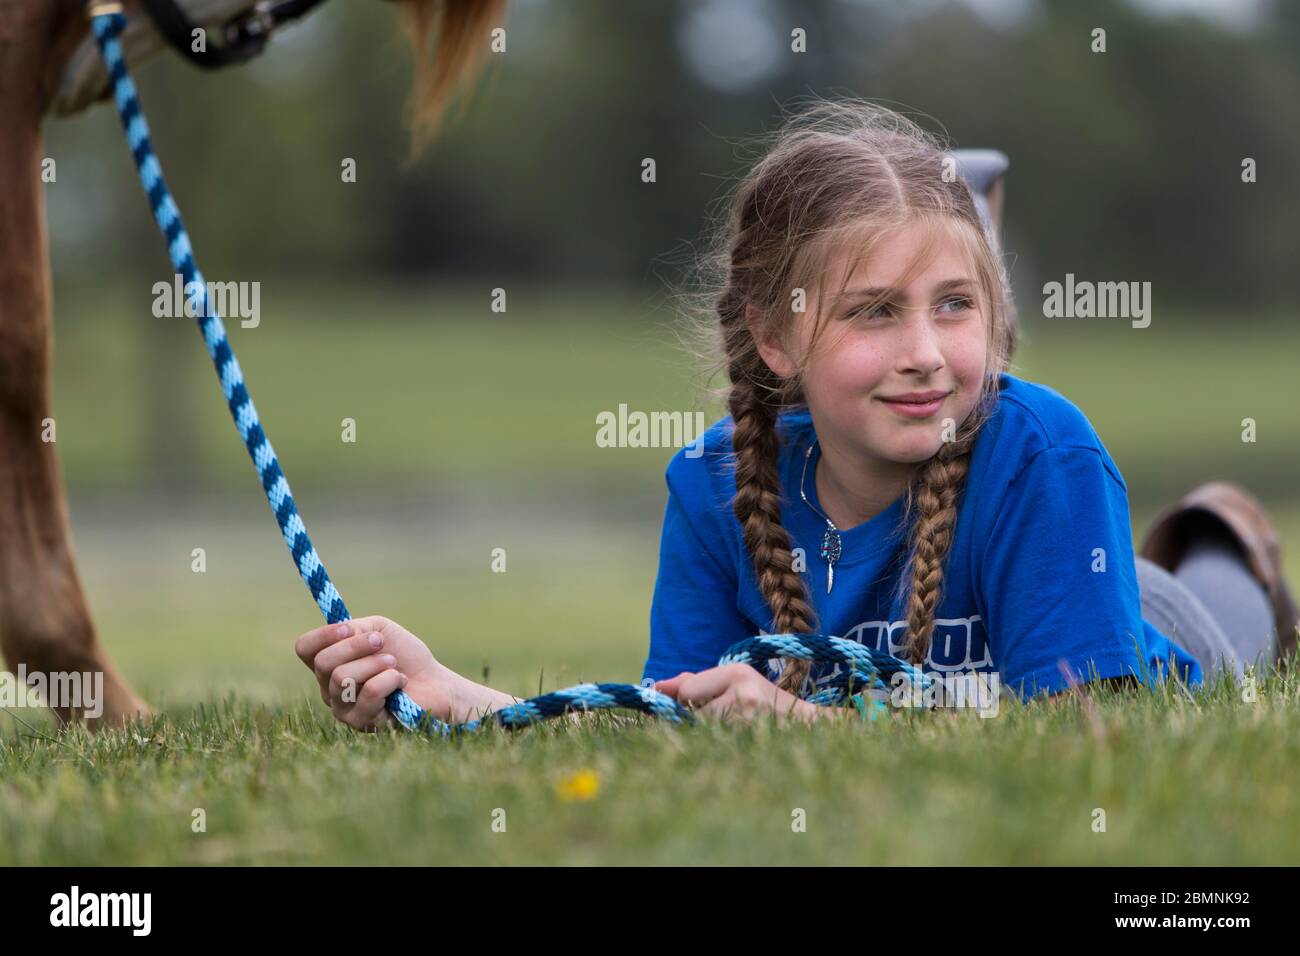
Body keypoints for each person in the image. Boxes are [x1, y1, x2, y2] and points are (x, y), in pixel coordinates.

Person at [294, 98, 1298, 730]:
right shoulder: (711, 485)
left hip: (1153, 625)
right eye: (874, 312)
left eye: (953, 304)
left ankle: (1229, 538)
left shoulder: (1045, 453)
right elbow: (662, 718)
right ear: (776, 340)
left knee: (1223, 601)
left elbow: (1086, 730)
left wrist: (814, 727)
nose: (921, 351)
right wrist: (456, 696)